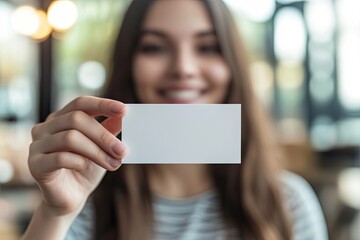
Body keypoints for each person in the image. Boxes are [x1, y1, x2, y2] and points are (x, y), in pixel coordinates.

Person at [23, 0, 328, 240]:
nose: (183, 68)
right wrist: (55, 215)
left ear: (233, 66)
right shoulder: (84, 201)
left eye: (207, 47)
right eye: (155, 47)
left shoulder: (287, 202)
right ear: (128, 65)